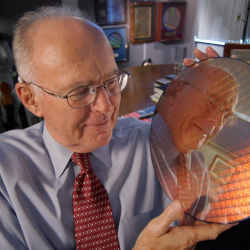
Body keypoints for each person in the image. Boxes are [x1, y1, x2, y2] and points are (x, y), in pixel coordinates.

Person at [0, 6, 234, 250]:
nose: (106, 106)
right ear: (30, 99)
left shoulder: (152, 142)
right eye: (79, 92)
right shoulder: (5, 176)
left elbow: (214, 189)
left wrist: (209, 110)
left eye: (111, 82)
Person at [150, 60, 238, 219]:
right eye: (212, 101)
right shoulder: (120, 150)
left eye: (226, 116)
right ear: (176, 91)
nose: (217, 123)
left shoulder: (198, 163)